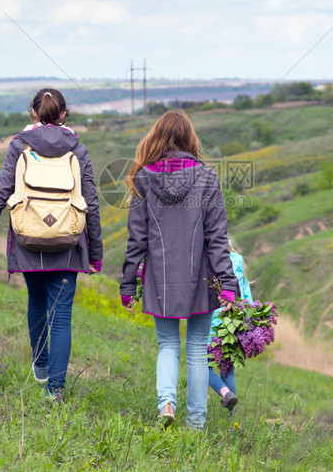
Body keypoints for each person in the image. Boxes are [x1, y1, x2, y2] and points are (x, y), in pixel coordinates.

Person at [0, 88, 103, 401]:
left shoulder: (19, 145)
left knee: (36, 301)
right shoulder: (79, 149)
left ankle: (41, 363)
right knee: (61, 316)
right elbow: (91, 202)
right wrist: (97, 254)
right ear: (63, 114)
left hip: (28, 239)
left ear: (33, 112)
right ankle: (55, 391)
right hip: (69, 242)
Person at [120, 110, 239, 430]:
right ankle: (196, 423)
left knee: (168, 345)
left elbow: (137, 239)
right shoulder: (207, 177)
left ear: (157, 136)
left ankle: (167, 404)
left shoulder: (143, 177)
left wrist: (128, 283)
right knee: (198, 350)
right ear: (190, 138)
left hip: (160, 276)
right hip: (201, 276)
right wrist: (228, 284)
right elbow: (217, 237)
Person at [208, 237, 253, 411]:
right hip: (234, 324)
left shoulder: (209, 261)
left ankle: (224, 392)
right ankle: (230, 418)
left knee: (201, 365)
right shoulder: (238, 261)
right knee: (227, 369)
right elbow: (247, 294)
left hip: (213, 324)